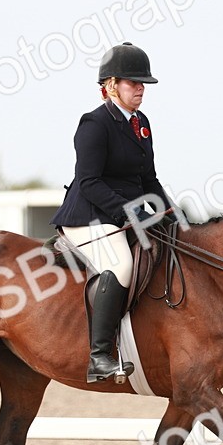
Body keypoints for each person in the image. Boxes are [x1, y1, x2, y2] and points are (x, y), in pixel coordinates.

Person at [50, 41, 176, 384]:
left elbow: (148, 178)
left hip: (125, 214)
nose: (140, 89)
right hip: (88, 215)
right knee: (121, 264)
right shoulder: (94, 123)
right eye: (133, 83)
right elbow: (89, 181)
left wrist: (170, 214)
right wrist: (126, 214)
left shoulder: (141, 123)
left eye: (142, 84)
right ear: (110, 86)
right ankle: (100, 356)